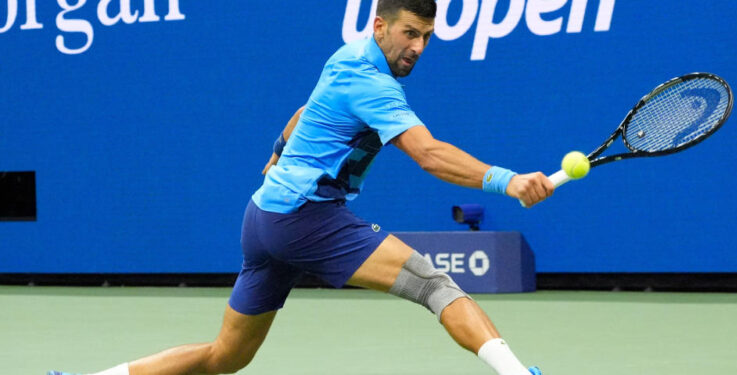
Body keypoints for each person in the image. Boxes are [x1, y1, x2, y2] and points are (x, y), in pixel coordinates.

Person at [49, 1, 553, 374]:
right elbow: (428, 154)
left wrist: (276, 151)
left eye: (426, 36)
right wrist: (508, 182)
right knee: (434, 285)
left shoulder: (348, 55)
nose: (418, 47)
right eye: (409, 33)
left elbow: (301, 115)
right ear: (380, 25)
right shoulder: (373, 84)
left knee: (225, 358)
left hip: (263, 218)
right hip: (306, 219)